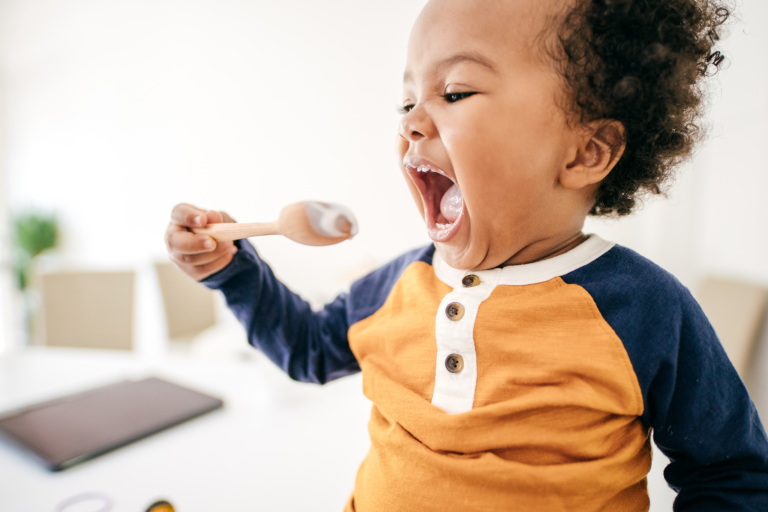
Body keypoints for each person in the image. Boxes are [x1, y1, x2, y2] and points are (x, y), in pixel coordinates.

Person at [164, 0, 768, 509]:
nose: (412, 124)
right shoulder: (402, 283)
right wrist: (232, 271)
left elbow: (732, 475)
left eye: (454, 92)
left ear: (587, 151)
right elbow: (306, 349)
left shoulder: (644, 310)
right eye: (407, 103)